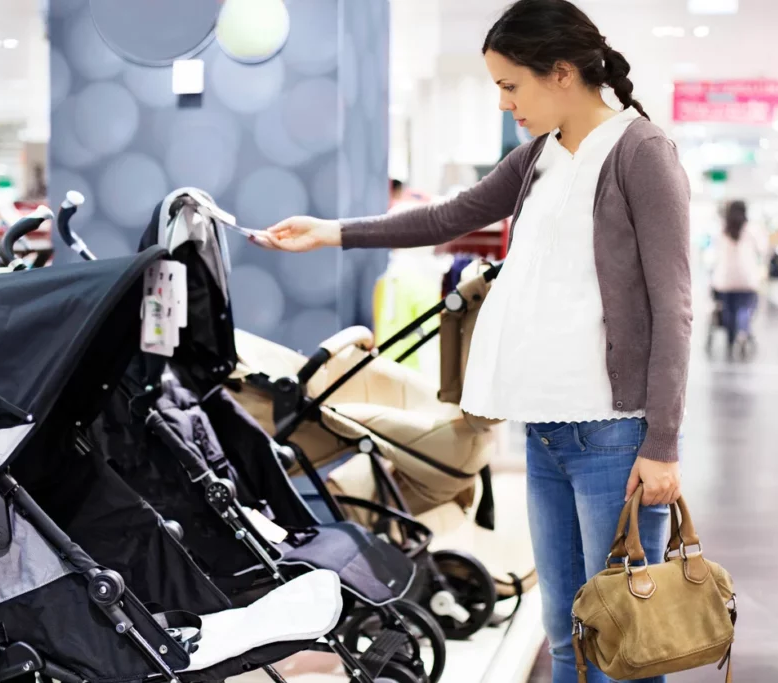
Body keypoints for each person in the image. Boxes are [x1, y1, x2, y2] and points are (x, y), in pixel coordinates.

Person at [256, 2, 691, 682]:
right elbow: (448, 216)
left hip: (616, 436)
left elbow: (674, 305)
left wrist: (662, 443)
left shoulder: (641, 152)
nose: (503, 101)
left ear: (563, 72)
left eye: (511, 85)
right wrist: (332, 230)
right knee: (568, 633)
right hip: (547, 431)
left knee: (623, 645)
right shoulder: (538, 158)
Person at [711, 200, 764, 359]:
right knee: (744, 309)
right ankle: (742, 334)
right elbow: (762, 250)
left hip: (725, 279)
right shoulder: (751, 230)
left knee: (728, 310)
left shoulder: (722, 230)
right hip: (747, 279)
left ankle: (730, 339)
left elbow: (714, 254)